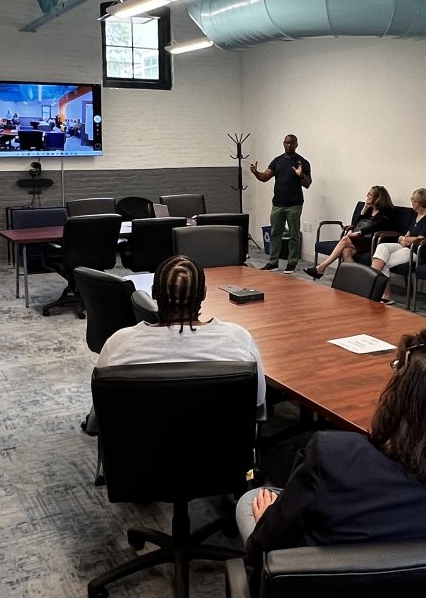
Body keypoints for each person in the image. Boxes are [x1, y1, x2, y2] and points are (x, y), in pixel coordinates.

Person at [238, 330, 426, 559]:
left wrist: (268, 521)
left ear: (396, 398)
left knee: (253, 500)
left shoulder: (334, 456)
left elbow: (266, 543)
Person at [95, 254, 266, 414]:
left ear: (153, 293)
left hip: (140, 443)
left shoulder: (118, 343)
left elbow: (102, 406)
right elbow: (258, 400)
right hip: (223, 444)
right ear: (204, 294)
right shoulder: (239, 339)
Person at [305, 184, 399, 278]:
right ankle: (357, 278)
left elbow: (377, 226)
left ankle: (321, 267)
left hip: (374, 240)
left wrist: (359, 233)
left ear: (377, 198)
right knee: (346, 252)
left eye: (370, 194)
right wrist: (365, 208)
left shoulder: (388, 211)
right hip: (362, 239)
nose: (367, 195)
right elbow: (356, 223)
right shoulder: (370, 209)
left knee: (345, 240)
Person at [249, 133, 311, 272]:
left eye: (291, 143)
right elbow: (265, 177)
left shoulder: (302, 162)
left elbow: (308, 184)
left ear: (296, 144)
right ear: (283, 143)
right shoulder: (277, 161)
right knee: (275, 233)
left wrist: (301, 176)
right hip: (278, 204)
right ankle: (273, 262)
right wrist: (256, 172)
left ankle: (292, 262)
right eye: (286, 142)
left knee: (294, 235)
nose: (288, 145)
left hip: (294, 204)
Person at [369, 187, 426, 304]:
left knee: (384, 261)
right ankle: (372, 283)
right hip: (406, 246)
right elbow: (408, 234)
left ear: (419, 203)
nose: (411, 201)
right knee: (382, 247)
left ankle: (384, 294)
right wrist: (405, 239)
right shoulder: (415, 214)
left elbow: (420, 239)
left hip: (418, 251)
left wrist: (405, 239)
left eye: (413, 199)